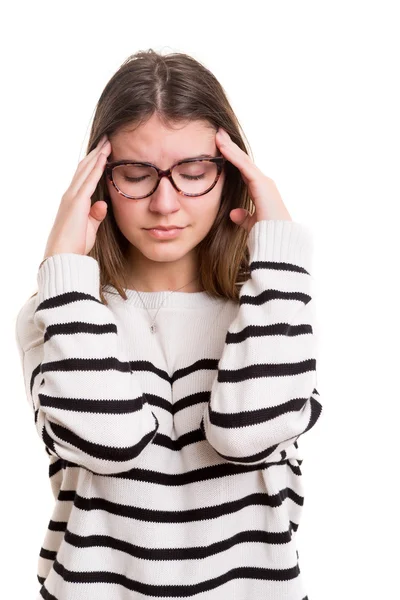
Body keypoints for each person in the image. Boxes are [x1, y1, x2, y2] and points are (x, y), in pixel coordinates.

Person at [14, 48, 323, 600]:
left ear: (231, 175)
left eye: (194, 173)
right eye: (135, 174)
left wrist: (280, 261)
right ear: (98, 181)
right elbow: (108, 442)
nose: (165, 202)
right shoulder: (59, 310)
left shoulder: (274, 303)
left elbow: (246, 433)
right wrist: (66, 271)